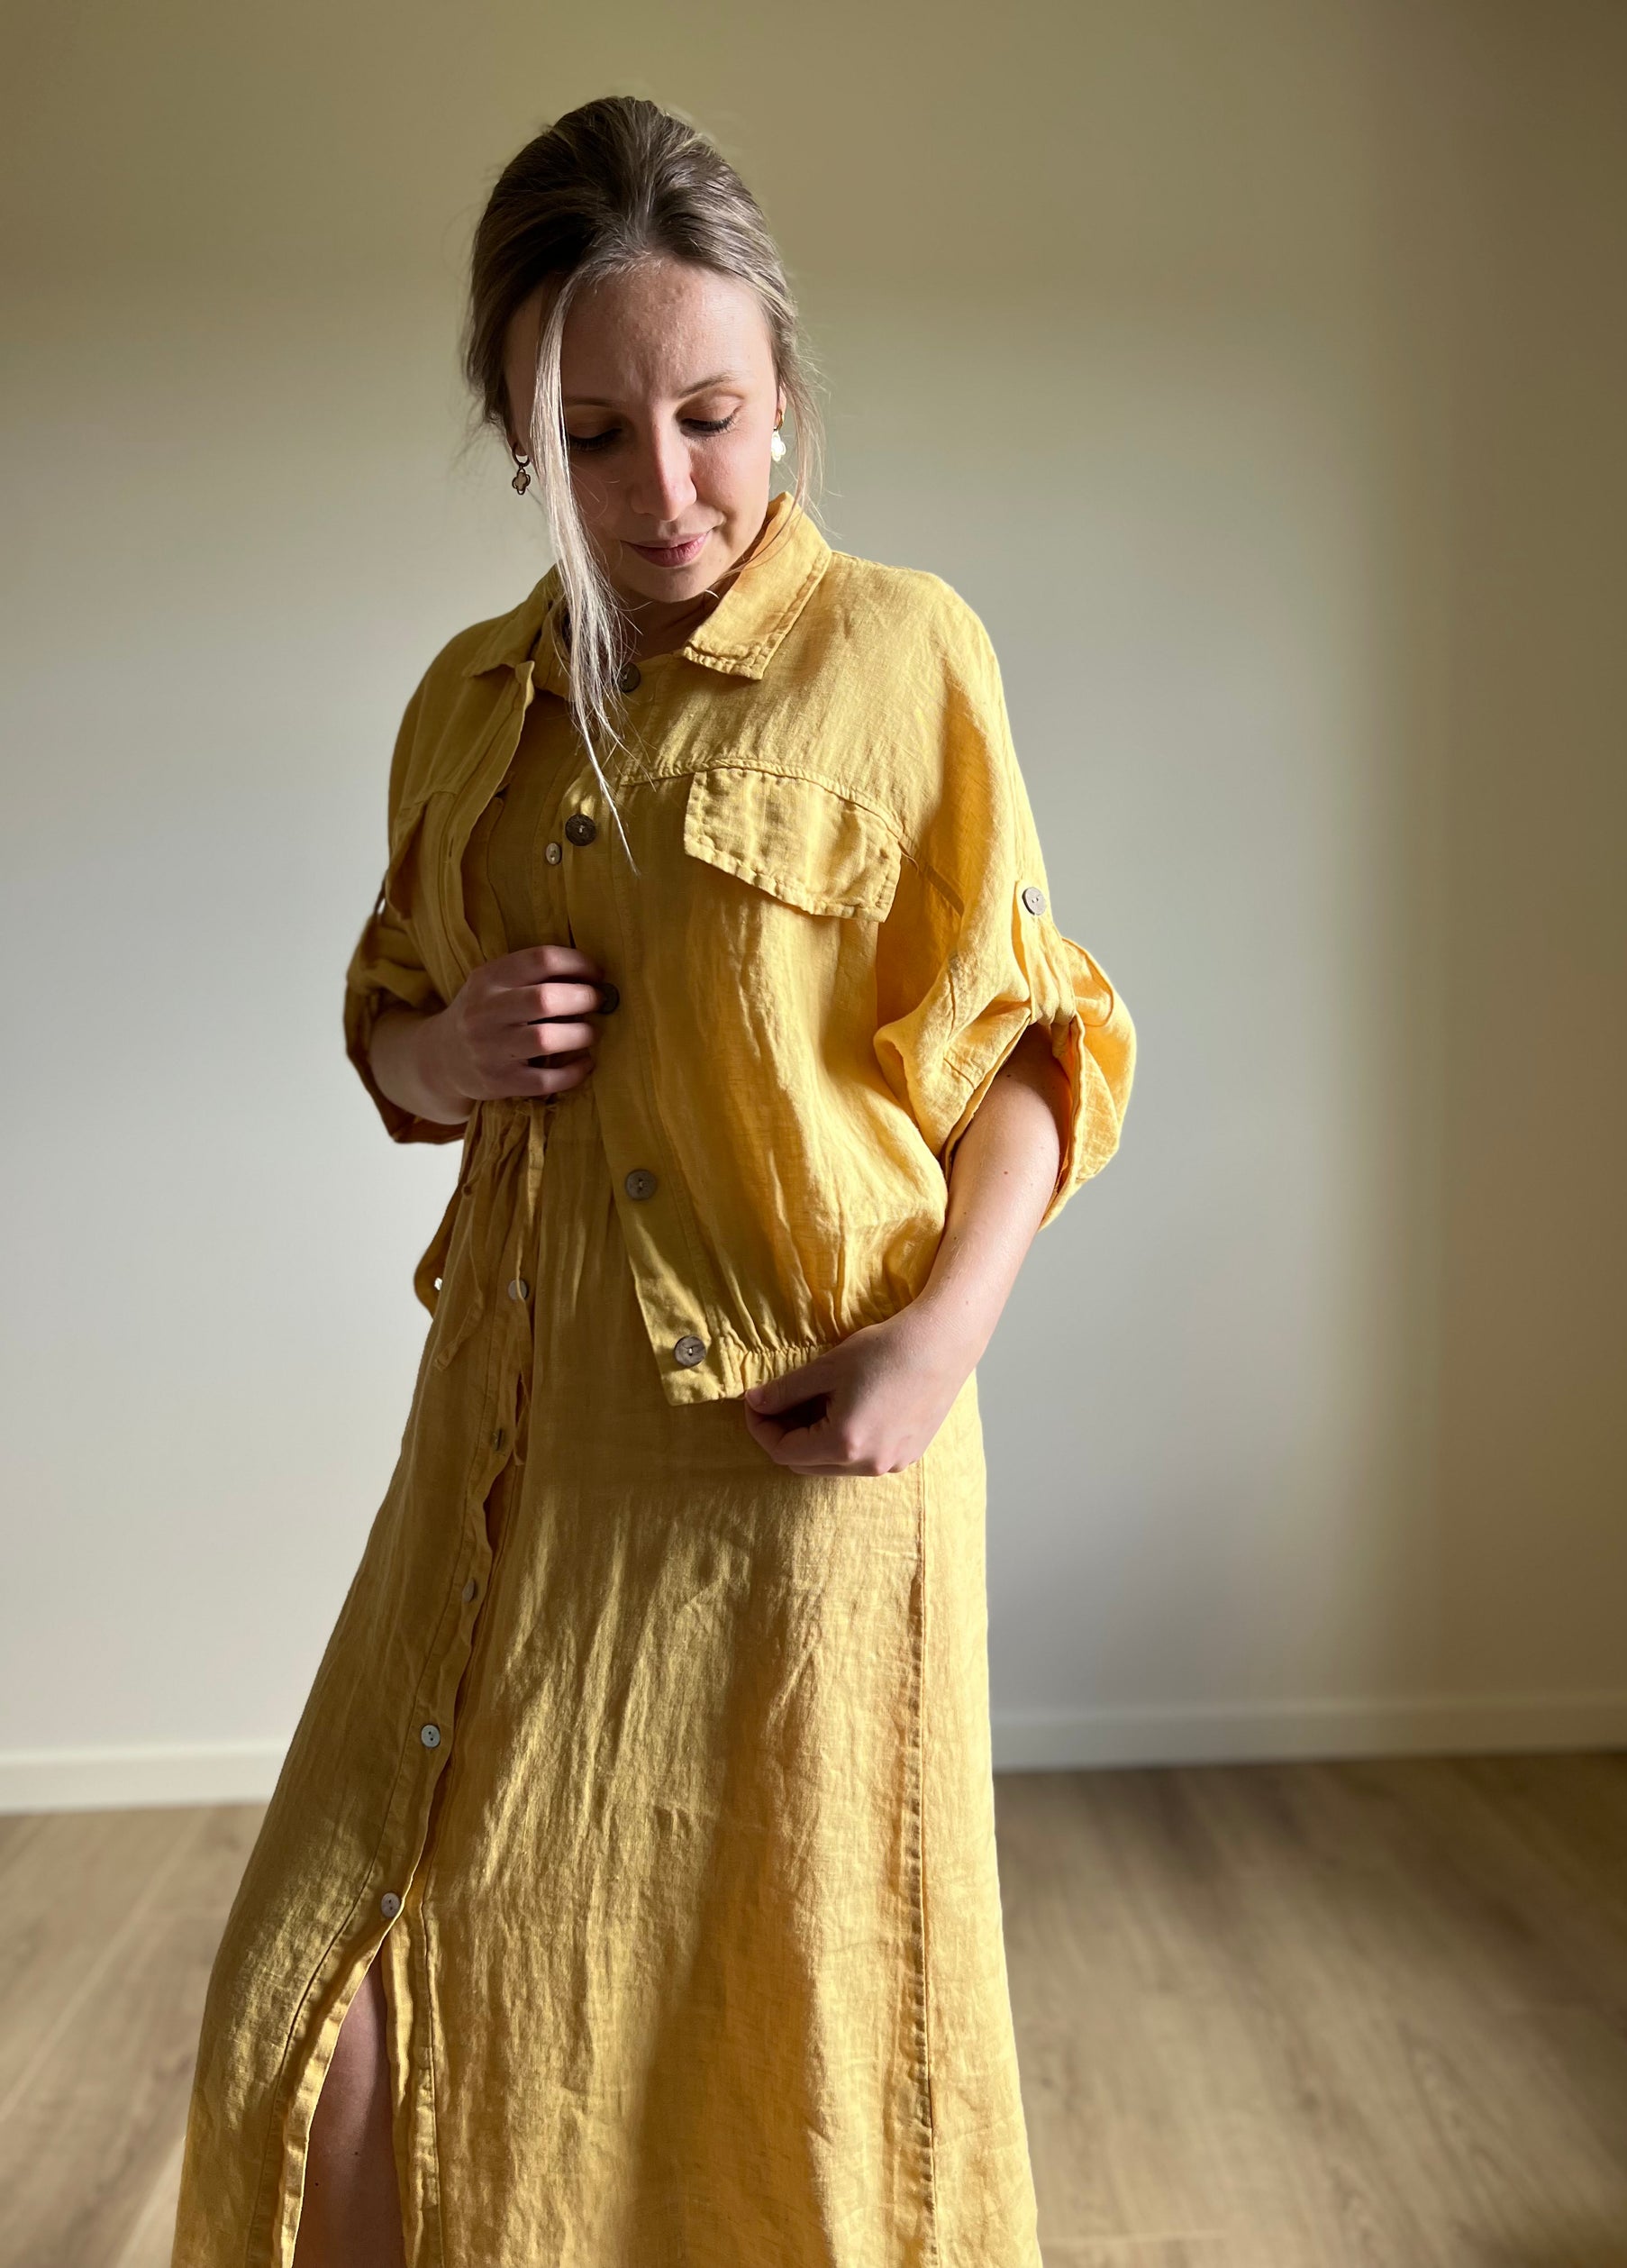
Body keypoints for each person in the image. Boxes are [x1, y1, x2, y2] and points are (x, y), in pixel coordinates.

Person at [171, 94, 1133, 2268]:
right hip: (507, 1450)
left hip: (796, 1486)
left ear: (781, 387)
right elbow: (390, 1029)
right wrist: (442, 1049)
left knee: (769, 2068)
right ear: (518, 434)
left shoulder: (902, 655)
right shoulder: (466, 705)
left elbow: (1033, 1043)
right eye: (592, 435)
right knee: (321, 2014)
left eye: (706, 417)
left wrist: (936, 1344)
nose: (664, 489)